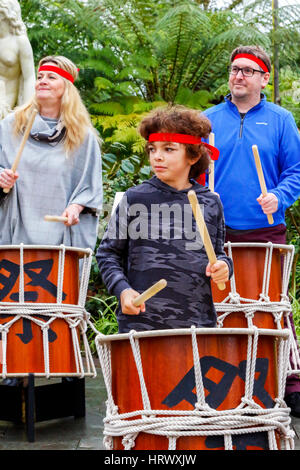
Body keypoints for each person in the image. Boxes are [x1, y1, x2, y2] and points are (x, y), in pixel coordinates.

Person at [203, 45, 300, 416]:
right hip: (217, 232)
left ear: (263, 78)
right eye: (234, 69)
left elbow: (296, 171)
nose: (238, 75)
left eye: (247, 70)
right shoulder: (207, 120)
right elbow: (192, 170)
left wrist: (279, 195)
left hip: (266, 230)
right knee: (217, 305)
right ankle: (219, 381)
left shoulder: (280, 120)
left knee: (274, 309)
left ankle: (291, 382)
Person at [96, 105, 233, 333]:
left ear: (194, 155)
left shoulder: (210, 203)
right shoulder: (135, 198)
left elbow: (218, 254)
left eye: (169, 149)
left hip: (196, 323)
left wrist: (224, 267)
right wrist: (123, 290)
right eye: (152, 149)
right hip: (141, 323)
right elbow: (108, 253)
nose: (157, 156)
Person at [0, 55, 102, 250]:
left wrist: (76, 207)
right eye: (39, 77)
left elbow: (90, 188)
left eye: (51, 77)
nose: (42, 81)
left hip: (60, 238)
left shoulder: (82, 136)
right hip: (13, 234)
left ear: (66, 86)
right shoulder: (10, 127)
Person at [0, 0, 35, 119]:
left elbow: (29, 77)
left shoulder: (20, 42)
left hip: (6, 104)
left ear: (4, 14)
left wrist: (26, 110)